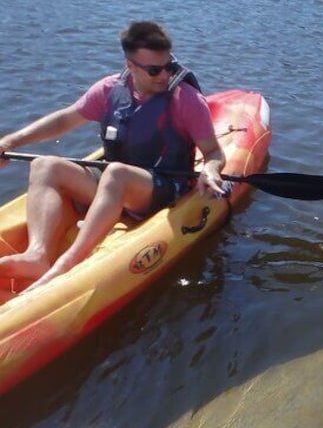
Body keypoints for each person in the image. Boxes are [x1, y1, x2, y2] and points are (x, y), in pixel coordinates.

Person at [0, 21, 227, 293]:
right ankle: (38, 254)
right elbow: (65, 120)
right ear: (130, 65)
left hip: (163, 188)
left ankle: (66, 265)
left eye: (169, 65)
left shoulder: (186, 100)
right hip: (115, 182)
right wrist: (11, 141)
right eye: (155, 69)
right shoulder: (109, 90)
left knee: (115, 173)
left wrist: (212, 169)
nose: (165, 74)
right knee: (44, 166)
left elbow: (213, 153)